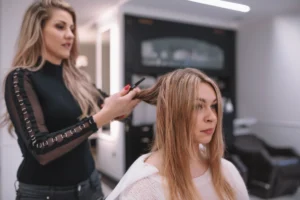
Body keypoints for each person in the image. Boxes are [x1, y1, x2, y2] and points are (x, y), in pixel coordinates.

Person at [0, 0, 140, 199]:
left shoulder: (77, 78)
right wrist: (103, 116)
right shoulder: (20, 79)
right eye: (60, 26)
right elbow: (41, 149)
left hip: (90, 185)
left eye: (72, 28)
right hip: (45, 194)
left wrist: (127, 103)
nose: (71, 35)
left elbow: (107, 104)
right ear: (37, 30)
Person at [106, 68, 250, 200]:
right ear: (173, 114)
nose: (212, 117)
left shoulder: (225, 170)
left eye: (213, 106)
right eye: (198, 106)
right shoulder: (144, 188)